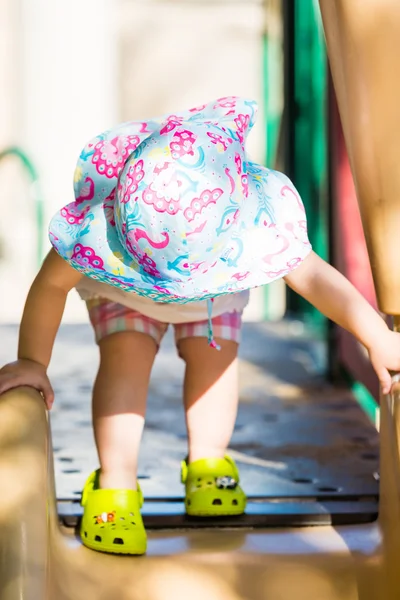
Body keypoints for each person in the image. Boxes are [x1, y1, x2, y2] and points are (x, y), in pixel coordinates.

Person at [0, 97, 399, 556]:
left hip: (215, 281)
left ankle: (208, 460)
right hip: (126, 277)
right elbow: (49, 288)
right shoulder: (106, 231)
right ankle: (116, 483)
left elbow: (314, 278)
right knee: (124, 363)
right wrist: (32, 361)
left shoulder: (246, 227)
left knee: (215, 363)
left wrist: (376, 336)